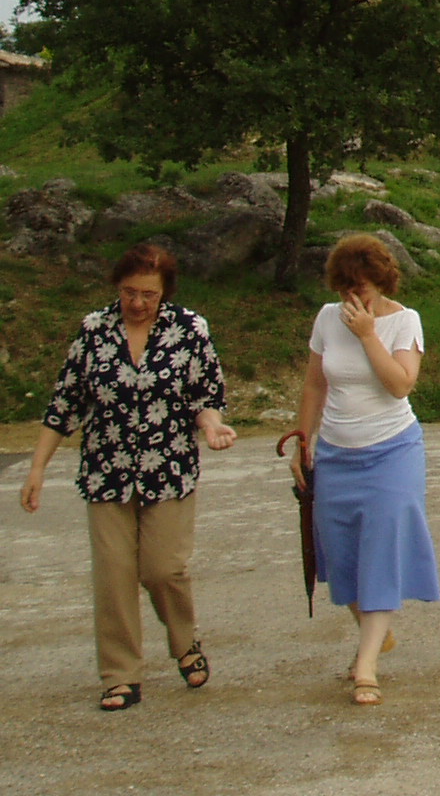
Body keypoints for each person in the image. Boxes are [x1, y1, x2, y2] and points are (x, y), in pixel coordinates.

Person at [19, 242, 236, 711]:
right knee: (114, 576)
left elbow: (206, 395)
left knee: (162, 569)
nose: (137, 304)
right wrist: (37, 469)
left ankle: (184, 643)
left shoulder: (189, 329)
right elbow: (64, 405)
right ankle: (120, 675)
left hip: (169, 469)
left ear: (165, 293)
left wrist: (212, 426)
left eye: (148, 295)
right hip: (107, 472)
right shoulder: (94, 330)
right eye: (129, 293)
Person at [287, 232, 439, 706]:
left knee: (381, 550)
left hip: (392, 451)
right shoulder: (327, 320)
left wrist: (368, 334)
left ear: (381, 283)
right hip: (335, 451)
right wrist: (302, 439)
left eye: (363, 290)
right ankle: (375, 632)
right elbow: (315, 384)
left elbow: (400, 385)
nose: (353, 300)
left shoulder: (403, 322)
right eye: (345, 291)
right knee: (342, 557)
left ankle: (366, 664)